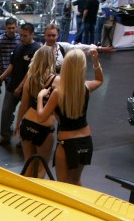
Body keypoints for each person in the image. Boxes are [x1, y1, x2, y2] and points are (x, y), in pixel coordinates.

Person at [36, 48, 103, 185]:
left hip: (67, 144)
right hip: (85, 141)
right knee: (76, 181)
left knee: (63, 185)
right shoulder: (85, 88)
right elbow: (100, 80)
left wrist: (40, 97)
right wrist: (96, 62)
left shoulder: (58, 93)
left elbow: (41, 117)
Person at [14, 46, 59, 178]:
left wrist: (17, 124)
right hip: (44, 127)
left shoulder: (30, 78)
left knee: (28, 164)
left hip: (27, 123)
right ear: (52, 60)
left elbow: (23, 105)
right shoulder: (56, 80)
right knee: (41, 168)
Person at [0, 23, 40, 146]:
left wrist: (20, 87)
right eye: (21, 35)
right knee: (6, 112)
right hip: (12, 85)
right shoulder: (19, 46)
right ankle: (5, 136)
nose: (22, 38)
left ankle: (23, 139)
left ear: (32, 34)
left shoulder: (36, 50)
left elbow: (30, 72)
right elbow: (12, 65)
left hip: (26, 88)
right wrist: (1, 77)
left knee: (26, 115)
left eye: (25, 36)